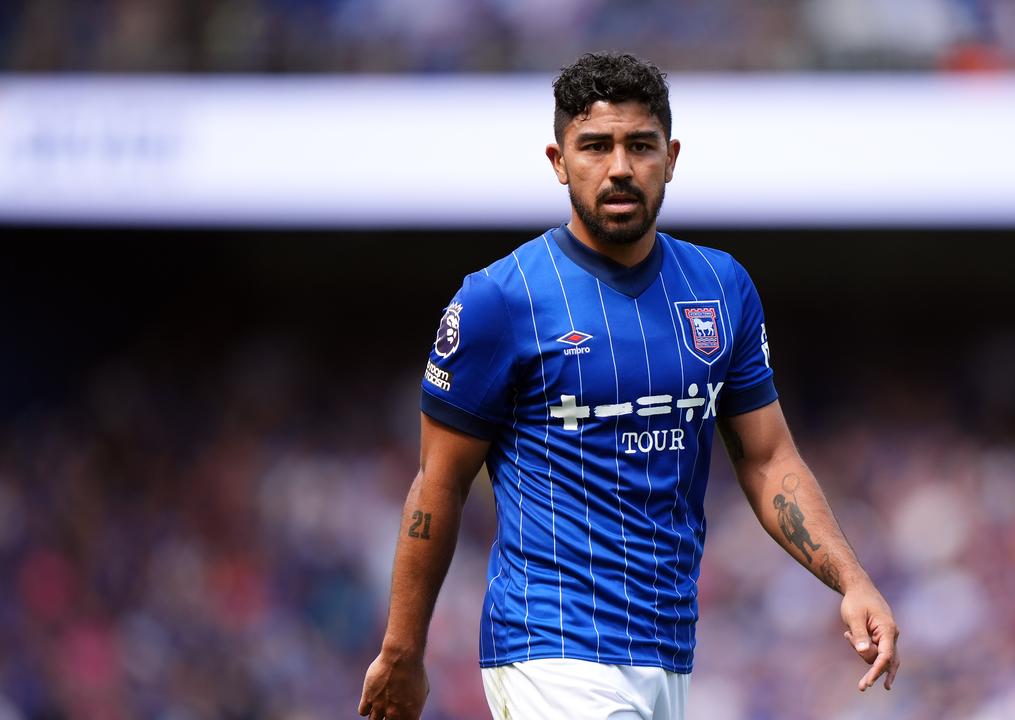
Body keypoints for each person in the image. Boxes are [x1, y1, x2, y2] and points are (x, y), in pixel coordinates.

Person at [358, 52, 900, 720]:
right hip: (549, 648)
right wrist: (403, 652)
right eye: (595, 147)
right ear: (559, 162)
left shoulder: (720, 287)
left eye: (639, 146)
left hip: (667, 651)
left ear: (671, 158)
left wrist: (851, 580)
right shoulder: (501, 299)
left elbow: (767, 459)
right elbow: (437, 485)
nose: (619, 167)